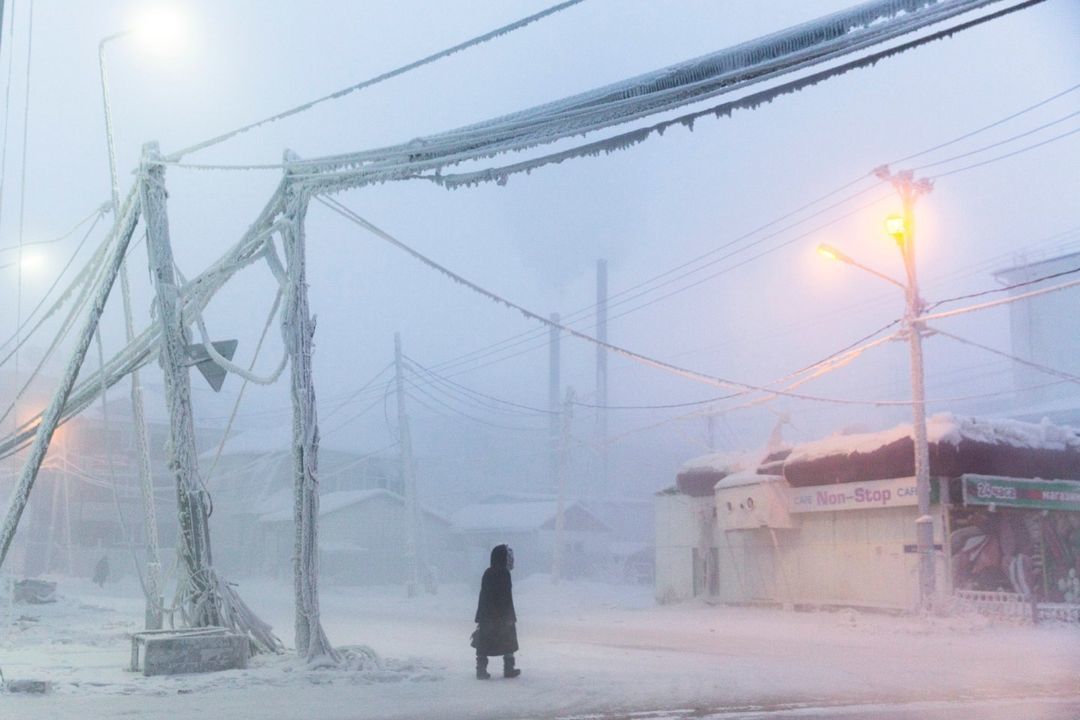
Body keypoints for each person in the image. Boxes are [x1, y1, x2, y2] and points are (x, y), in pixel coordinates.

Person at [472, 544, 520, 679]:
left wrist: (479, 615)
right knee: (508, 640)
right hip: (502, 615)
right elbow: (506, 597)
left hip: (486, 614)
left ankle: (480, 670)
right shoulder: (504, 573)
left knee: (484, 642)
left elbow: (483, 595)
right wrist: (510, 616)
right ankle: (509, 669)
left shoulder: (488, 572)